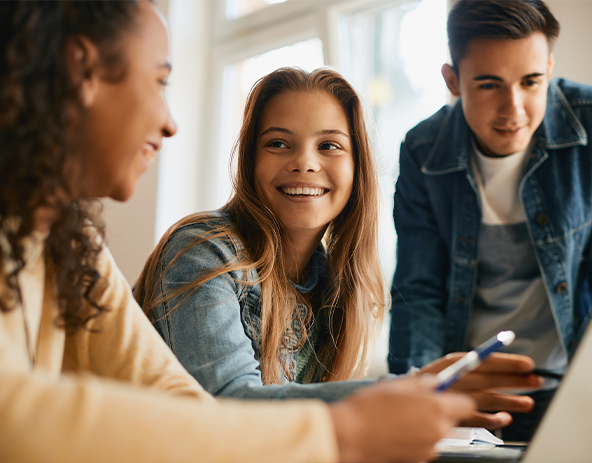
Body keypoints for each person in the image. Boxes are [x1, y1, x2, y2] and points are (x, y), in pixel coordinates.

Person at [0, 1, 480, 463]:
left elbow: (182, 403)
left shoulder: (71, 243)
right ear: (82, 70)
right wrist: (345, 429)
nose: (170, 122)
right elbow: (16, 418)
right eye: (160, 82)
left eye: (330, 145)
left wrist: (407, 395)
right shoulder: (205, 249)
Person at [134, 65, 541, 427]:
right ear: (250, 161)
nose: (305, 163)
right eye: (278, 143)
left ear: (356, 167)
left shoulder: (336, 284)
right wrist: (409, 389)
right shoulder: (203, 251)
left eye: (329, 145)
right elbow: (228, 404)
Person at [389, 0, 592, 441]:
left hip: (573, 387)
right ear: (453, 81)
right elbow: (418, 292)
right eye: (489, 85)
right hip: (469, 394)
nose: (513, 109)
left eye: (531, 81)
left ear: (550, 68)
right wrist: (420, 394)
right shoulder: (423, 150)